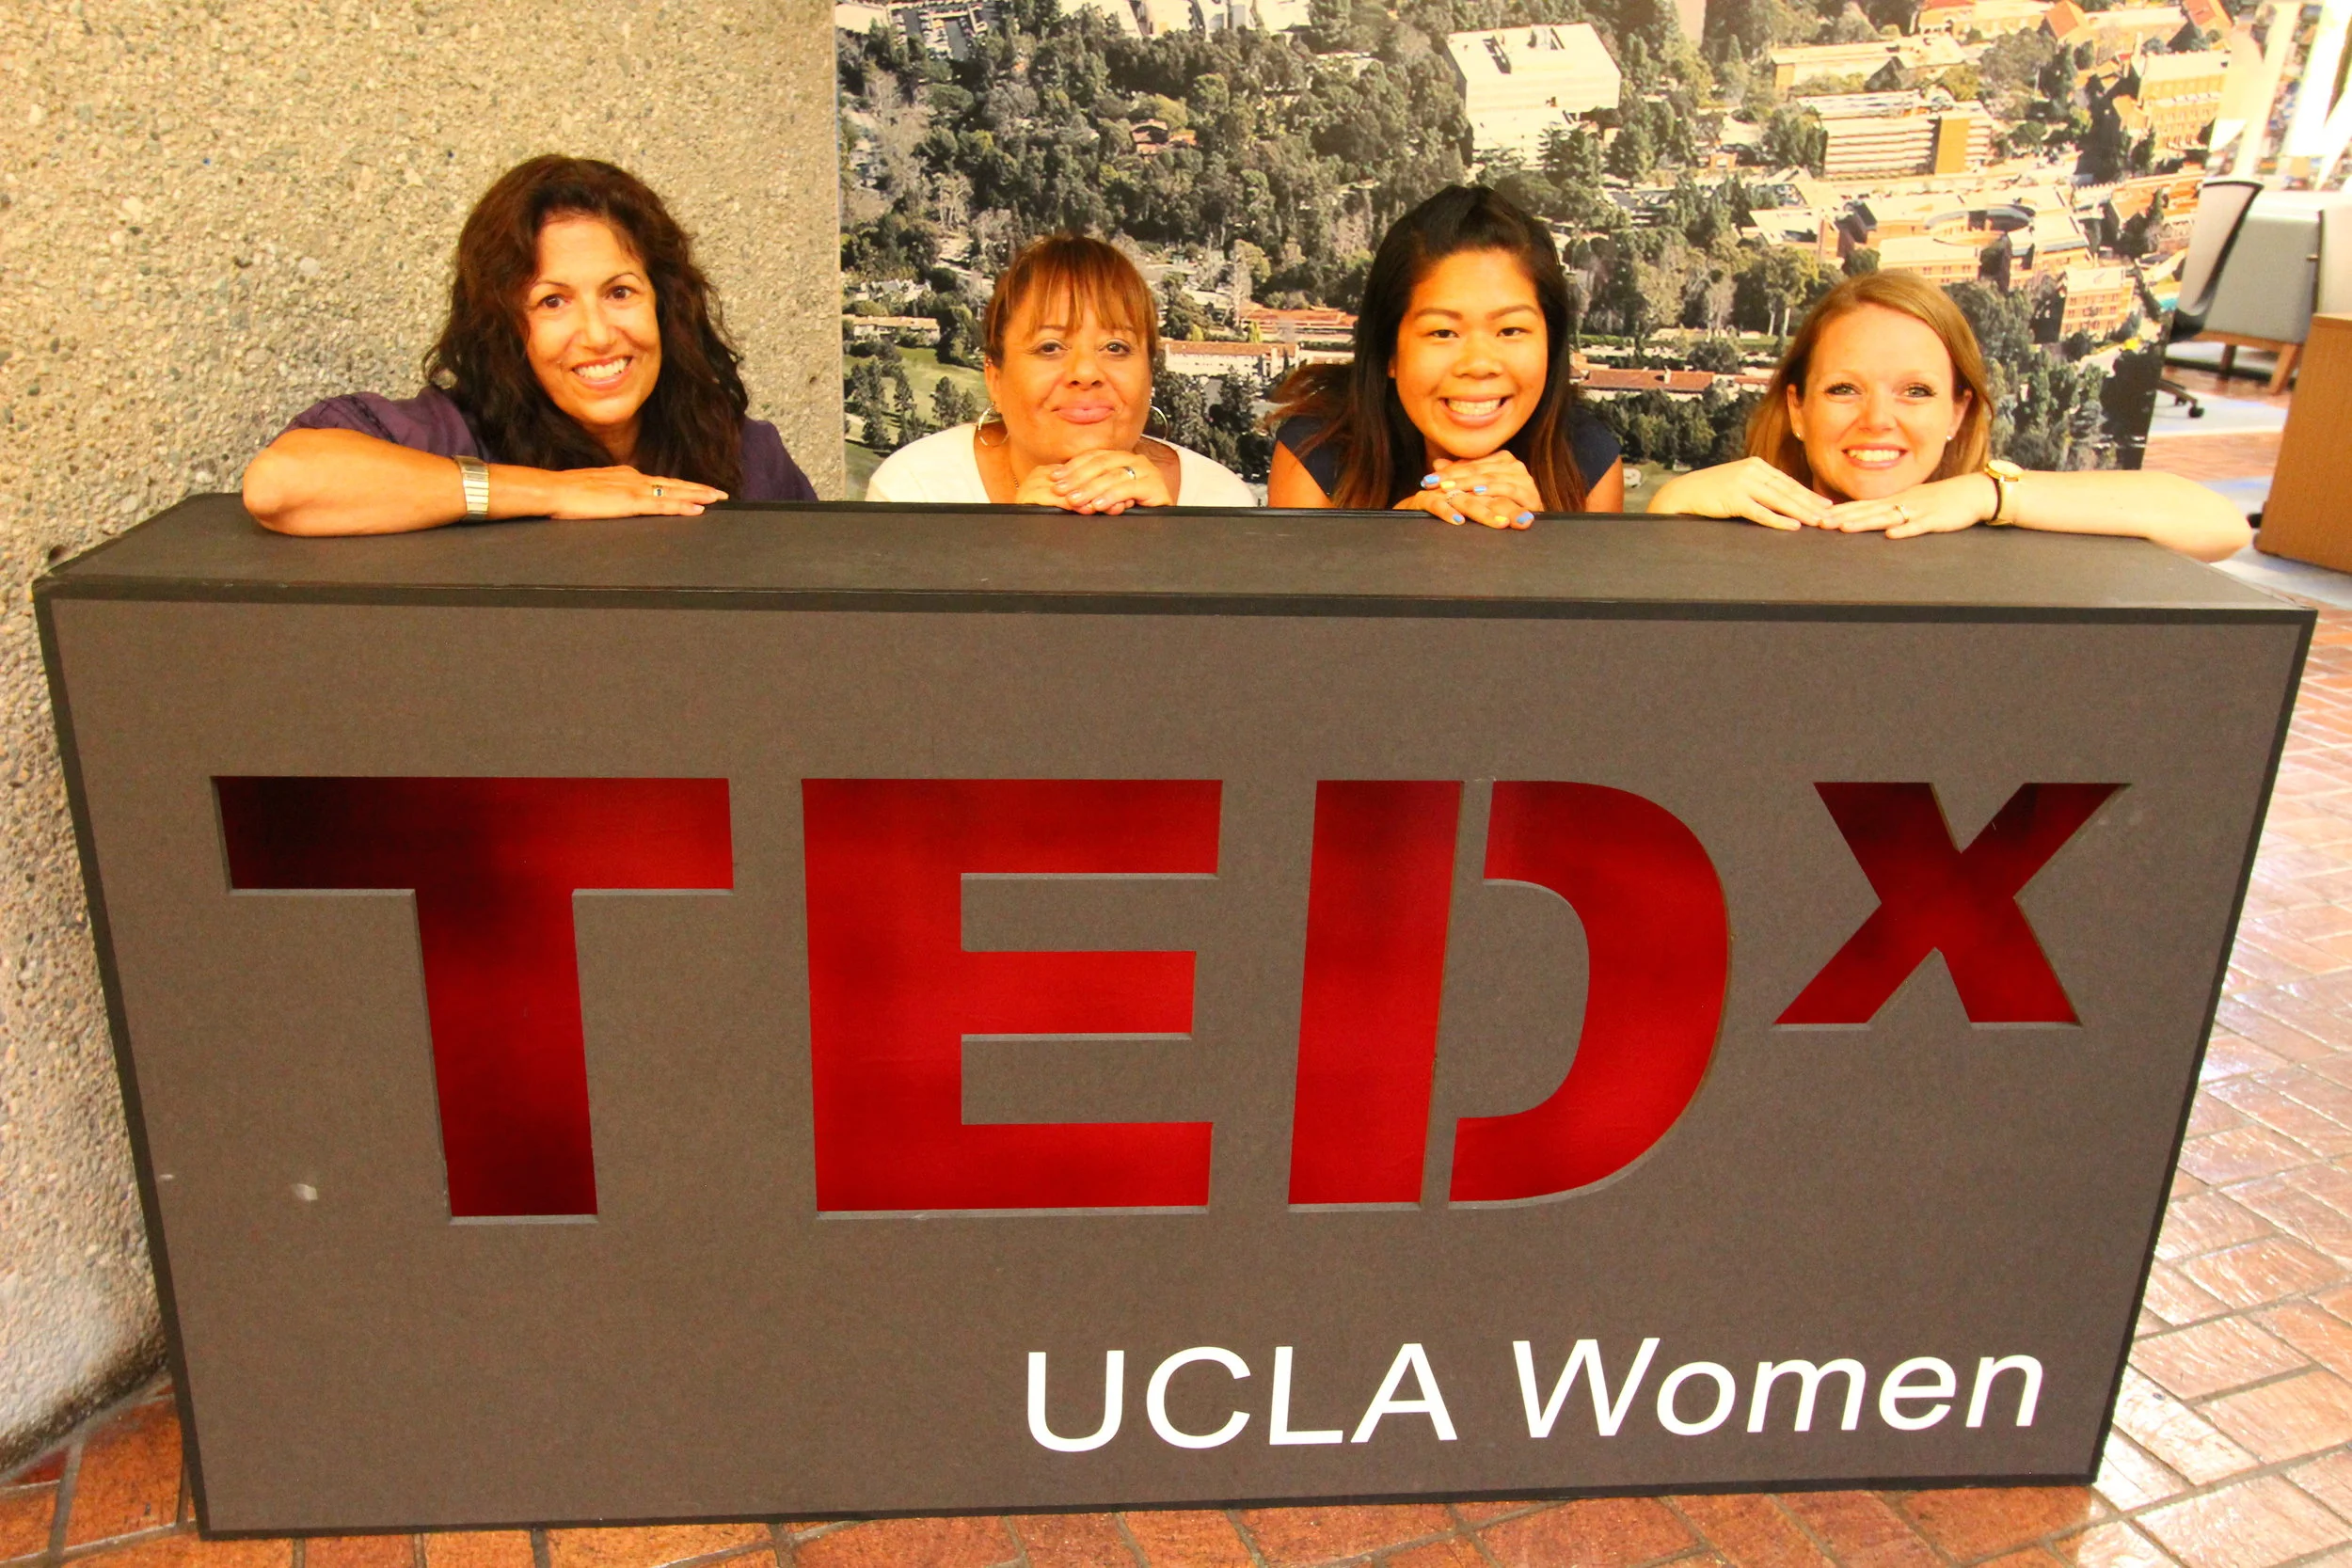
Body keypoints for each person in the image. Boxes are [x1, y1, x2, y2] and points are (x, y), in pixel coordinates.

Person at [243, 156, 816, 535]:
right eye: (551, 301)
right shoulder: (447, 435)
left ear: (666, 306)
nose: (595, 335)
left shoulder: (748, 456)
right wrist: (557, 494)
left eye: (620, 292)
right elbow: (283, 483)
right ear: (503, 327)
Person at [1645, 269, 2249, 562]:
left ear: (1959, 411)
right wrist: (1673, 503)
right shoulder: (1741, 528)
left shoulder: (2000, 525)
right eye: (1843, 390)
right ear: (1797, 409)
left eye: (1916, 391)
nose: (1879, 419)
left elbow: (2221, 526)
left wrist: (1993, 495)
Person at [1266, 185, 1624, 528]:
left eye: (1511, 330)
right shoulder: (1315, 453)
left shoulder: (1588, 460)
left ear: (1551, 344)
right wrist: (1396, 538)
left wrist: (1540, 542)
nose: (1479, 365)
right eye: (1443, 333)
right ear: (1389, 351)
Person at [866, 234, 1255, 511]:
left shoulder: (1220, 502)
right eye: (1050, 348)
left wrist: (1162, 542)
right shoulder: (916, 494)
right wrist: (1020, 545)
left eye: (1116, 348)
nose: (1086, 373)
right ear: (994, 378)